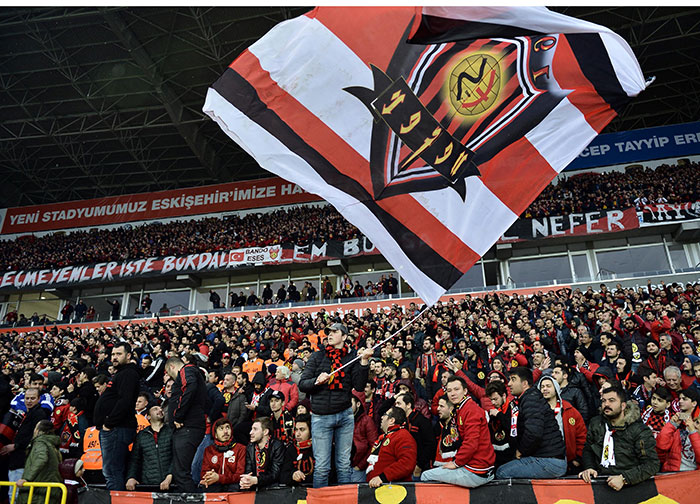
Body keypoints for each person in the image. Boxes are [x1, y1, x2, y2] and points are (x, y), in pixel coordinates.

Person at [298, 322, 372, 488]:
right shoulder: (317, 357)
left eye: (334, 332)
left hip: (345, 416)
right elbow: (303, 384)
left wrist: (364, 362)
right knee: (323, 467)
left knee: (344, 466)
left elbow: (359, 386)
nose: (329, 335)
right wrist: (316, 381)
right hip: (321, 417)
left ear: (344, 337)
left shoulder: (351, 357)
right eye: (328, 332)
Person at [579, 385, 659, 491]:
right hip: (600, 484)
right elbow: (588, 449)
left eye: (611, 400)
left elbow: (651, 464)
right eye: (603, 401)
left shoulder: (639, 430)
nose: (606, 404)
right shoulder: (596, 423)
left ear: (623, 406)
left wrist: (624, 478)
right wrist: (589, 468)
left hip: (631, 486)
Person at [421, 375, 495, 488]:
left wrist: (456, 463)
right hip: (474, 466)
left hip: (477, 470)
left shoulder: (470, 409)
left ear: (465, 391)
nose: (452, 393)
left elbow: (471, 443)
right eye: (449, 390)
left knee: (426, 476)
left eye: (456, 389)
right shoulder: (461, 407)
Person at [495, 367, 567, 479]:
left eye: (513, 379)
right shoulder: (524, 399)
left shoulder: (531, 399)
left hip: (550, 460)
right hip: (546, 457)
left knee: (502, 472)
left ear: (524, 384)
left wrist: (520, 451)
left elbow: (533, 433)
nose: (509, 384)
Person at [93, 342, 140, 491]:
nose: (114, 357)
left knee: (112, 471)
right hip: (115, 428)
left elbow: (124, 401)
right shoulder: (122, 373)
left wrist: (108, 424)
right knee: (114, 470)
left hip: (117, 428)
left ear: (128, 356)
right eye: (113, 354)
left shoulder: (128, 373)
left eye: (118, 354)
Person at [165, 356, 207, 493]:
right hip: (190, 427)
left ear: (171, 366)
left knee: (181, 473)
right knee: (180, 472)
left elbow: (189, 386)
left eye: (168, 373)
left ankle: (194, 500)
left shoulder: (186, 370)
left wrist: (178, 415)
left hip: (188, 427)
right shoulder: (192, 373)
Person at [538, 375, 587, 474]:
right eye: (542, 387)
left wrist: (577, 459)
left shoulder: (570, 410)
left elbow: (581, 436)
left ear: (556, 388)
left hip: (569, 463)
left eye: (548, 386)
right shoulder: (536, 411)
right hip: (544, 462)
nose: (545, 389)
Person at [1, 388, 50, 482]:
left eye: (32, 398)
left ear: (39, 399)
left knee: (15, 492)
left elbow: (36, 436)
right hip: (18, 459)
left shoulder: (39, 414)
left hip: (23, 460)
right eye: (27, 398)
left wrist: (16, 445)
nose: (29, 401)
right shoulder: (28, 413)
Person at [125, 404, 173, 491]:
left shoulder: (171, 431)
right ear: (149, 416)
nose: (160, 410)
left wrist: (169, 477)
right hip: (148, 485)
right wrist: (131, 477)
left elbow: (177, 458)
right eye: (155, 409)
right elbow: (135, 459)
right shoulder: (141, 435)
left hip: (171, 484)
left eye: (161, 409)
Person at [366, 406, 417, 488]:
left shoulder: (403, 435)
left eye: (385, 415)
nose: (382, 417)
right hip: (377, 489)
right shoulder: (383, 437)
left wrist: (383, 477)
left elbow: (407, 463)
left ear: (392, 420)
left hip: (392, 491)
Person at [16, 420, 62, 504]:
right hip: (49, 490)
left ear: (39, 430)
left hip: (38, 492)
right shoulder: (52, 444)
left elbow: (41, 458)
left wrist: (27, 479)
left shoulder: (40, 443)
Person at [656, 387, 700, 471]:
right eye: (679, 399)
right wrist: (672, 425)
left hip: (694, 476)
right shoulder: (676, 422)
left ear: (694, 403)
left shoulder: (697, 424)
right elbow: (661, 446)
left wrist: (692, 431)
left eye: (684, 399)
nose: (680, 401)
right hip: (673, 471)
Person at [394, 392, 434, 478]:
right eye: (396, 403)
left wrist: (419, 465)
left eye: (399, 403)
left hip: (418, 468)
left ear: (408, 405)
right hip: (404, 466)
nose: (396, 406)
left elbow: (430, 445)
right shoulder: (400, 421)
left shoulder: (422, 421)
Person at [199, 417, 245, 491]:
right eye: (221, 428)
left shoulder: (240, 449)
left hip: (234, 487)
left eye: (228, 428)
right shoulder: (209, 450)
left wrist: (219, 478)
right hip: (215, 486)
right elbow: (204, 473)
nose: (225, 431)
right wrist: (208, 477)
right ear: (215, 434)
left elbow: (240, 475)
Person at [240, 417, 284, 490]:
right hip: (254, 487)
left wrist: (256, 480)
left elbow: (275, 474)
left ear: (265, 432)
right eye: (251, 429)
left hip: (272, 489)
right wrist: (246, 481)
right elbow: (248, 470)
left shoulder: (277, 446)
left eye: (255, 429)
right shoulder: (250, 447)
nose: (250, 432)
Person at [350, 390, 377, 483]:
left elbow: (374, 445)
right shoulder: (343, 420)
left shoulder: (367, 420)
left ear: (358, 404)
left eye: (350, 403)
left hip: (358, 467)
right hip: (343, 466)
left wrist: (360, 466)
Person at [280, 414, 314, 486]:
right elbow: (282, 476)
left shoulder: (319, 448)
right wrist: (292, 475)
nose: (297, 434)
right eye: (296, 429)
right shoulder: (291, 449)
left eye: (302, 430)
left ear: (311, 431)